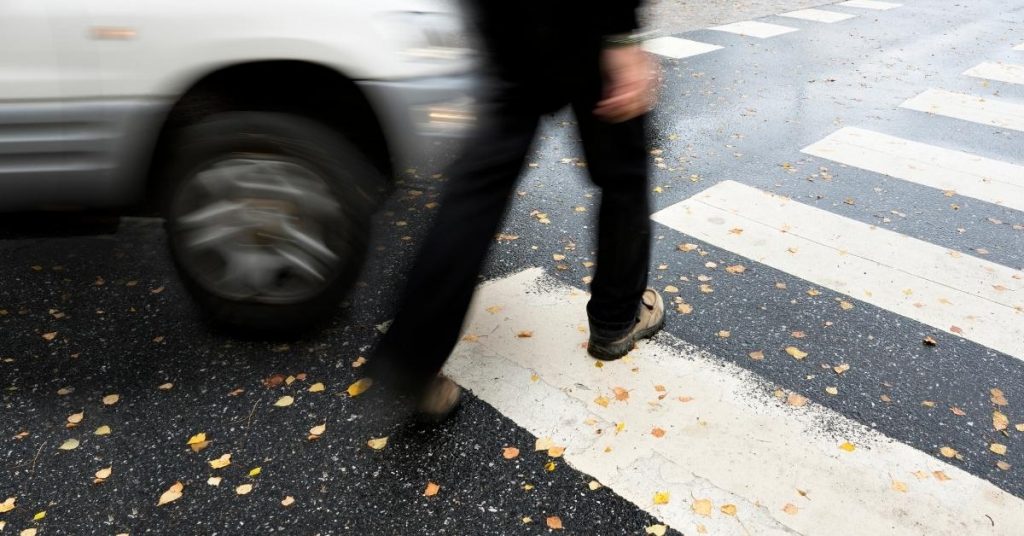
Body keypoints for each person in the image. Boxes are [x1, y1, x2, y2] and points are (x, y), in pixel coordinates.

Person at [371, 0, 664, 421]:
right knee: (623, 172)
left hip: (505, 16)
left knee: (481, 183)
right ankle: (616, 320)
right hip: (584, 18)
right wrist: (620, 35)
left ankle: (413, 357)